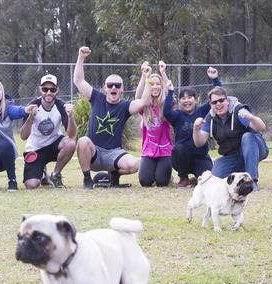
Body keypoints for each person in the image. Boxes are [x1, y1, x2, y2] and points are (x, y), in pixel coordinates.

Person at [73, 46, 152, 189]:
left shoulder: (125, 106)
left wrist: (147, 79)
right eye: (110, 85)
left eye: (117, 85)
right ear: (105, 88)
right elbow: (78, 81)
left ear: (122, 89)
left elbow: (145, 101)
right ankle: (87, 179)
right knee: (83, 141)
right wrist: (81, 58)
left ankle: (114, 176)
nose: (114, 88)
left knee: (133, 165)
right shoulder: (96, 97)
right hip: (94, 152)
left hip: (114, 153)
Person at [193, 86, 268, 191]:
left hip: (255, 148)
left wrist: (251, 117)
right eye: (214, 102)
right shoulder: (210, 118)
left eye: (221, 100)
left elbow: (261, 127)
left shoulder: (238, 111)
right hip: (233, 156)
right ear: (210, 105)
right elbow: (199, 143)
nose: (218, 104)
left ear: (227, 100)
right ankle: (241, 169)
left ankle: (252, 182)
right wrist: (196, 129)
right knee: (216, 178)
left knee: (247, 137)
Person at [162, 65, 221, 187]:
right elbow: (166, 112)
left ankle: (196, 179)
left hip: (200, 156)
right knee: (178, 149)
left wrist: (215, 79)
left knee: (208, 180)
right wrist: (170, 92)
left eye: (190, 97)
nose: (186, 100)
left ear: (195, 100)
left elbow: (217, 97)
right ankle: (183, 178)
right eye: (183, 98)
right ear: (179, 102)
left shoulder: (202, 111)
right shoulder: (177, 115)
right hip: (182, 159)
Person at [19, 74, 77, 189]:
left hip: (54, 144)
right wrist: (31, 118)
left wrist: (71, 117)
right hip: (35, 148)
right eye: (45, 89)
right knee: (31, 185)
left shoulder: (61, 106)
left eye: (52, 89)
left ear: (57, 90)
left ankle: (55, 175)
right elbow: (23, 136)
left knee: (70, 143)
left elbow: (72, 135)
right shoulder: (33, 105)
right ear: (40, 89)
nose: (49, 93)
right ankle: (42, 174)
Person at [135, 61, 172, 187]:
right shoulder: (145, 107)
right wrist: (144, 77)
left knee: (162, 182)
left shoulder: (166, 106)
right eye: (152, 84)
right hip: (148, 150)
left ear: (161, 86)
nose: (155, 87)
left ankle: (164, 172)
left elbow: (170, 90)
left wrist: (163, 73)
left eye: (158, 84)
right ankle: (153, 170)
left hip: (165, 150)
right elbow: (138, 97)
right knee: (145, 181)